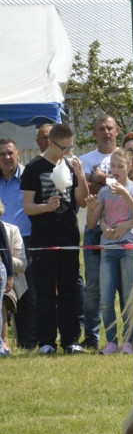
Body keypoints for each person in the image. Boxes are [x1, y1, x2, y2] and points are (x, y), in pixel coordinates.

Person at [21, 123, 89, 354]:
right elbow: (28, 207)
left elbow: (81, 201)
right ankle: (47, 342)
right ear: (51, 143)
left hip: (69, 235)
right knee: (46, 290)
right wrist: (46, 207)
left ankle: (71, 340)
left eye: (71, 147)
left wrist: (80, 175)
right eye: (64, 148)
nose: (68, 152)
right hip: (43, 240)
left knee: (70, 289)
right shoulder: (33, 168)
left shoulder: (70, 165)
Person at [85, 148, 133, 354]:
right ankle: (111, 342)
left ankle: (128, 341)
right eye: (112, 166)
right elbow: (92, 223)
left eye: (120, 166)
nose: (115, 170)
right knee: (106, 300)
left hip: (130, 249)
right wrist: (93, 211)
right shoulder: (104, 191)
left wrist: (125, 195)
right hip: (108, 249)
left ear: (129, 167)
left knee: (129, 298)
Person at [77, 114, 121, 349]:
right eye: (101, 129)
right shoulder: (85, 159)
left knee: (125, 287)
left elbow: (130, 183)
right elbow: (85, 195)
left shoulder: (124, 155)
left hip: (123, 229)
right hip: (94, 228)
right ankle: (92, 338)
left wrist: (98, 176)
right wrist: (109, 180)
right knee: (93, 286)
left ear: (117, 130)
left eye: (109, 128)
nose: (106, 133)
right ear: (94, 133)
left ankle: (128, 339)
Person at [0, 138, 38, 348]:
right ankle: (3, 341)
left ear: (18, 154)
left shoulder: (29, 178)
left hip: (23, 239)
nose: (6, 157)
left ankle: (28, 342)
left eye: (10, 153)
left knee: (26, 292)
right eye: (2, 154)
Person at [0, 198, 27, 357]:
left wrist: (9, 275)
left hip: (5, 277)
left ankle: (4, 343)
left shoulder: (8, 229)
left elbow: (9, 257)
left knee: (1, 303)